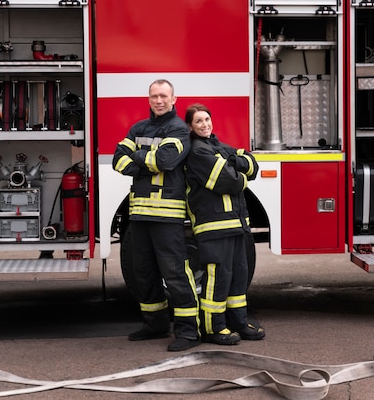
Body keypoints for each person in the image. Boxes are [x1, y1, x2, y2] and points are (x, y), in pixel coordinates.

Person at [112, 79, 200, 352]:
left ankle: (188, 332)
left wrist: (138, 157)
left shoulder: (178, 129)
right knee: (142, 272)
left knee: (175, 272)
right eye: (154, 96)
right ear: (149, 99)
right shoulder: (139, 127)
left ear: (174, 99)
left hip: (167, 216)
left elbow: (166, 161)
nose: (158, 100)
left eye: (163, 96)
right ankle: (155, 324)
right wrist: (147, 159)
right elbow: (118, 160)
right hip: (139, 215)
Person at [184, 103, 265, 345]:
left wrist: (236, 163)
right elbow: (228, 182)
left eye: (207, 119)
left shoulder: (216, 147)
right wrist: (238, 170)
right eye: (198, 121)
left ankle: (238, 322)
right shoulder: (198, 152)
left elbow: (253, 164)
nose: (204, 124)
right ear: (190, 126)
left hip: (235, 224)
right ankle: (213, 328)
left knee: (238, 276)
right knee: (218, 279)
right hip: (213, 226)